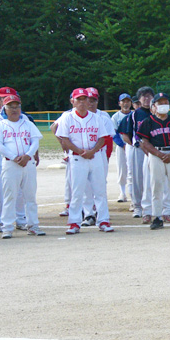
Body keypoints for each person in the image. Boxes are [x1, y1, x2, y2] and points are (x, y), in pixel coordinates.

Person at [55, 88, 113, 234]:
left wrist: (92, 151)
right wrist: (81, 151)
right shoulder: (67, 118)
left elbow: (103, 138)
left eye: (84, 99)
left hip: (95, 156)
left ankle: (103, 221)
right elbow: (64, 139)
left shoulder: (96, 118)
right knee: (77, 191)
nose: (82, 102)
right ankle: (74, 222)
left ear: (88, 101)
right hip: (77, 158)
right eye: (78, 99)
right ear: (72, 101)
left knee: (100, 190)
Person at [0, 93, 44, 238]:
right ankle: (7, 227)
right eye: (10, 107)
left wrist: (28, 155)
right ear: (5, 109)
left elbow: (35, 141)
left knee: (30, 196)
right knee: (9, 196)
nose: (14, 109)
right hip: (9, 164)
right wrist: (14, 157)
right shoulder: (0, 125)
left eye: (16, 106)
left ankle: (33, 225)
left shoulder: (27, 123)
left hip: (28, 163)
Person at [137, 92, 170, 230]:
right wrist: (158, 154)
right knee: (156, 186)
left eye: (165, 102)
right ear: (154, 106)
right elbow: (144, 141)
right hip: (155, 154)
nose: (163, 105)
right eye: (160, 103)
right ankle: (157, 217)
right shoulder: (148, 121)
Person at [119, 86, 154, 221]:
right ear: (139, 99)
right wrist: (134, 144)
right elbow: (124, 134)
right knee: (138, 179)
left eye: (149, 96)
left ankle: (156, 206)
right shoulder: (134, 115)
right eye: (143, 96)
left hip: (155, 150)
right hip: (139, 149)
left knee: (155, 179)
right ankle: (138, 206)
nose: (146, 99)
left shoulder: (156, 113)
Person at [112, 93, 133, 202]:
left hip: (133, 146)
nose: (126, 103)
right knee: (122, 169)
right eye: (123, 101)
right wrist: (123, 145)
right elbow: (114, 134)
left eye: (128, 101)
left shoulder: (134, 115)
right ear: (119, 103)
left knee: (133, 169)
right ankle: (122, 192)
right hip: (121, 147)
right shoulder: (116, 117)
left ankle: (133, 193)